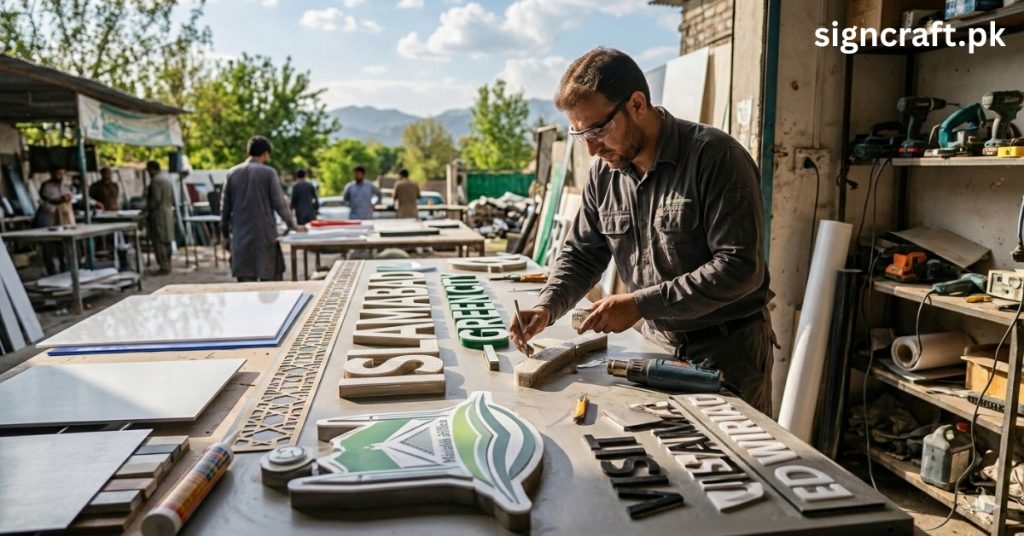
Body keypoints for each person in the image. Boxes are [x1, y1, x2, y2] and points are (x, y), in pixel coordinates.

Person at [509, 47, 777, 414]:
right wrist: (547, 306)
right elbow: (582, 254)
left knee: (738, 462)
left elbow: (740, 268)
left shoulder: (714, 158)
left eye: (599, 130)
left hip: (727, 353)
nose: (591, 149)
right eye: (579, 134)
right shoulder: (604, 176)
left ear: (637, 104)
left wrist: (640, 304)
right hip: (654, 348)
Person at [220, 136, 306, 282]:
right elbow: (280, 204)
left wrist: (224, 233)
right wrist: (293, 226)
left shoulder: (232, 173)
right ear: (265, 153)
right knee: (270, 282)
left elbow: (225, 208)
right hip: (264, 235)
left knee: (246, 286)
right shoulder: (268, 173)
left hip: (241, 236)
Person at [33, 166, 73, 274]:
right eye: (58, 173)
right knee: (47, 247)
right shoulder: (46, 186)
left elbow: (70, 198)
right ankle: (51, 271)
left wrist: (68, 198)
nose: (61, 176)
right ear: (52, 174)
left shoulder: (64, 186)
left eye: (62, 173)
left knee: (61, 246)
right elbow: (49, 200)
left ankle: (63, 269)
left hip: (60, 220)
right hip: (47, 219)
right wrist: (61, 199)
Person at [144, 161, 175, 275]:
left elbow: (156, 199)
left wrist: (146, 209)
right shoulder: (166, 180)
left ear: (152, 169)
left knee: (159, 241)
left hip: (158, 215)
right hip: (168, 213)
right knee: (167, 240)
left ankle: (164, 266)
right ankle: (168, 264)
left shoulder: (155, 181)